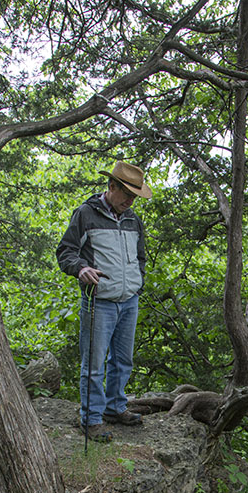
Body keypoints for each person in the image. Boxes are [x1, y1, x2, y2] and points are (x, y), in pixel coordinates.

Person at [57, 160, 152, 441]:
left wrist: (137, 283)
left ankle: (115, 408)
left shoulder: (134, 220)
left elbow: (140, 258)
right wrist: (81, 269)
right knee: (95, 364)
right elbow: (66, 252)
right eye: (127, 194)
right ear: (111, 187)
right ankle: (91, 419)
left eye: (134, 196)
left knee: (123, 360)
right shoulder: (86, 214)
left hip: (129, 301)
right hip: (99, 301)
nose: (130, 200)